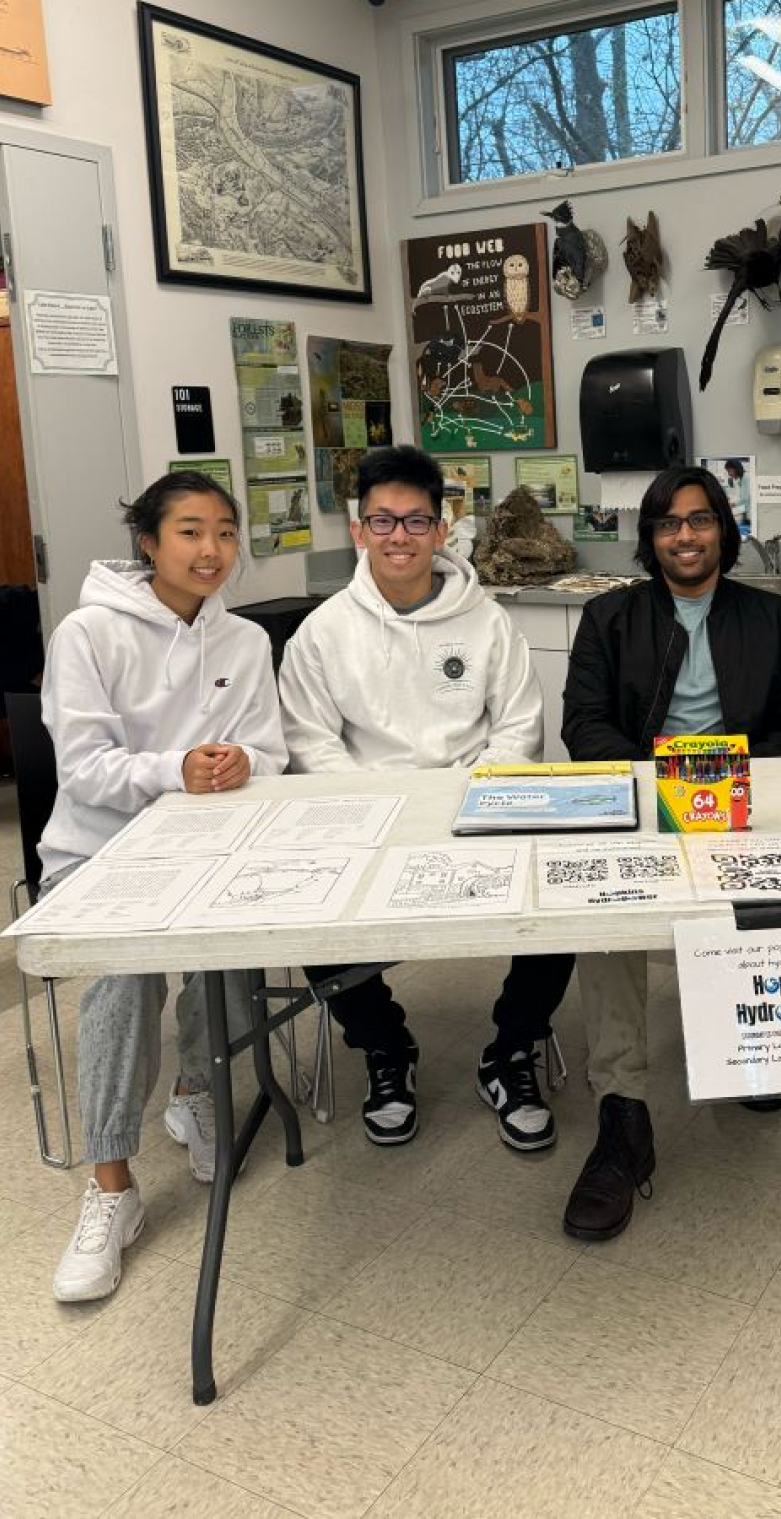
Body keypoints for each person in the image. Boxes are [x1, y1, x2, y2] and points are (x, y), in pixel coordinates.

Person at [278, 444, 573, 1152]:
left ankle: (509, 1049)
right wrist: (386, 813)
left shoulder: (490, 623)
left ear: (443, 529)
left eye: (415, 521)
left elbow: (519, 729)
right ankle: (386, 1047)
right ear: (358, 529)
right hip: (367, 820)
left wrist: (464, 806)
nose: (399, 537)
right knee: (311, 914)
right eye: (383, 521)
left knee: (566, 903)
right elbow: (309, 743)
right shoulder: (322, 633)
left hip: (475, 812)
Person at [560, 465, 781, 1241]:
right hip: (646, 808)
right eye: (669, 522)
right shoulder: (609, 617)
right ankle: (622, 1113)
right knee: (604, 919)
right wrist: (665, 784)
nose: (685, 534)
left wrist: (721, 778)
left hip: (743, 806)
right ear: (650, 537)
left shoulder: (771, 617)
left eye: (700, 519)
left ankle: (752, 1041)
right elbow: (585, 727)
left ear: (723, 529)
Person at [44, 471, 288, 1302]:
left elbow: (272, 750)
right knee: (126, 974)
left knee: (234, 948)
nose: (212, 549)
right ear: (147, 541)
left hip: (211, 849)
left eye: (224, 531)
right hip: (104, 851)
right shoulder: (87, 633)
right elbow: (81, 769)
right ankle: (112, 1183)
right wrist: (176, 770)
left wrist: (244, 760)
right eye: (190, 530)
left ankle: (197, 1090)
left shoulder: (245, 642)